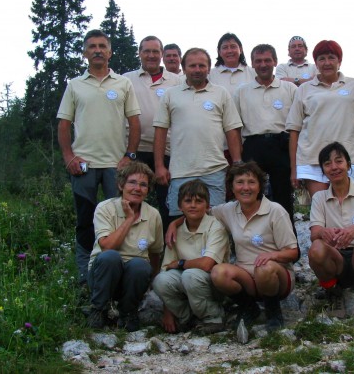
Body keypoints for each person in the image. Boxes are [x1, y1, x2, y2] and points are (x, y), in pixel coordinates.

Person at [167, 162, 298, 331]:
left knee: (264, 268)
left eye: (251, 182)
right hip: (247, 277)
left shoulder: (275, 211)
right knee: (218, 272)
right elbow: (199, 211)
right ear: (232, 187)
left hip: (276, 276)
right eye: (240, 182)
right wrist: (174, 224)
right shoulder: (228, 210)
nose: (246, 187)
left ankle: (273, 311)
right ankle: (249, 307)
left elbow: (293, 252)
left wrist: (272, 256)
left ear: (260, 186)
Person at [57, 29, 141, 286]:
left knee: (121, 217)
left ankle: (120, 270)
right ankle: (86, 276)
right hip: (84, 166)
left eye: (102, 46)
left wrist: (129, 155)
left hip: (116, 166)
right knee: (85, 219)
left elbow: (135, 123)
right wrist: (68, 156)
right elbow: (63, 124)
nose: (97, 50)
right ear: (84, 52)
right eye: (92, 46)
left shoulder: (123, 84)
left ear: (110, 51)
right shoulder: (75, 85)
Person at [153, 47, 244, 219]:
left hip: (215, 171)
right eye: (192, 65)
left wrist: (238, 163)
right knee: (179, 224)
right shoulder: (170, 95)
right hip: (180, 172)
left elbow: (231, 130)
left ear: (209, 68)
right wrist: (159, 166)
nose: (197, 70)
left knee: (216, 223)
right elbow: (160, 132)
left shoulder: (221, 93)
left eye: (202, 66)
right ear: (184, 68)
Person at [308, 143, 354, 318]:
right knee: (316, 249)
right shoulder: (319, 197)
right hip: (336, 259)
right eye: (327, 164)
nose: (334, 167)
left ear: (349, 165)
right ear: (323, 170)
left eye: (339, 161)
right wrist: (322, 232)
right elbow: (314, 233)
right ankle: (334, 292)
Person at [87, 162, 163, 332]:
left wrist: (151, 282)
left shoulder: (153, 215)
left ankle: (128, 312)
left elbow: (155, 253)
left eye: (143, 185)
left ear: (148, 190)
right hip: (103, 274)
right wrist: (129, 219)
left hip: (132, 279)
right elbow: (107, 246)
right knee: (110, 257)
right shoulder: (105, 208)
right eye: (132, 182)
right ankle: (99, 309)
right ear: (121, 185)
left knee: (140, 265)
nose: (138, 188)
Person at [286, 39, 354, 199]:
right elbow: (294, 130)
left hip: (346, 158)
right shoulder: (304, 89)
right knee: (321, 208)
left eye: (331, 57)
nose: (327, 63)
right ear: (315, 63)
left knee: (346, 208)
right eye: (322, 58)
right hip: (311, 158)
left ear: (340, 61)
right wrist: (294, 169)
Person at [153, 180, 230, 334]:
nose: (193, 205)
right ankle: (186, 318)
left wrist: (181, 263)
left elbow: (207, 264)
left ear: (208, 206)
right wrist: (167, 312)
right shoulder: (175, 231)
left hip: (213, 285)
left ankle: (214, 317)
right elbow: (166, 268)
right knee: (160, 280)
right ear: (180, 206)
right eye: (188, 201)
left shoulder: (215, 227)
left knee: (190, 275)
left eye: (199, 201)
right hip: (188, 284)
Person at [234, 44, 296, 223]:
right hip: (253, 146)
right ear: (252, 64)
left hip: (282, 145)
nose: (263, 64)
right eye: (258, 61)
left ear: (275, 61)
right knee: (252, 197)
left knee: (284, 199)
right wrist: (238, 159)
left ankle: (290, 247)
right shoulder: (241, 92)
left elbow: (298, 125)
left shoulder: (289, 89)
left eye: (267, 60)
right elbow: (235, 128)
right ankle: (254, 243)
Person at [124, 35, 181, 224]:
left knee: (168, 205)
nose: (151, 55)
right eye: (146, 51)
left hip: (168, 151)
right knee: (131, 203)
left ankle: (167, 248)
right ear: (139, 53)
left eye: (155, 51)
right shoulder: (126, 80)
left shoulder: (177, 80)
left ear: (162, 54)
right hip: (135, 150)